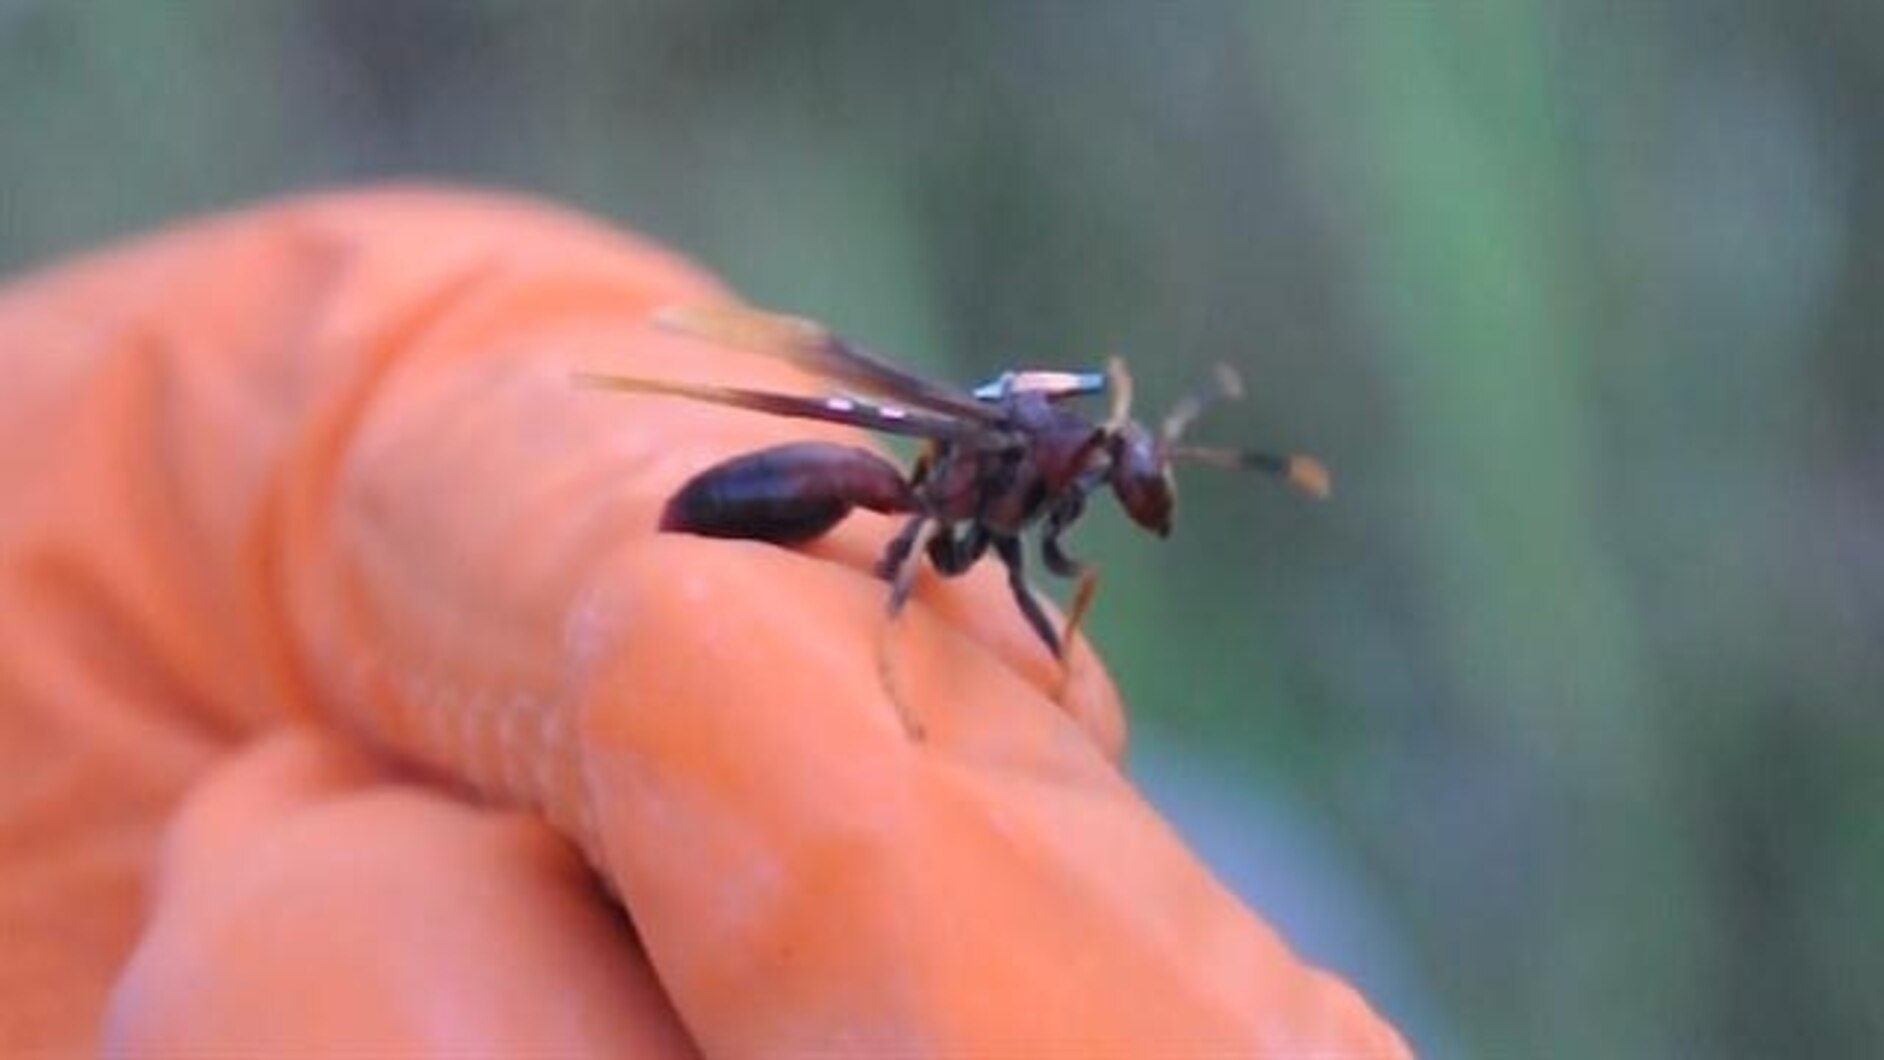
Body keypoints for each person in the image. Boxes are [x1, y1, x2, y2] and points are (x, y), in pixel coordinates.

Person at [0, 188, 1408, 1056]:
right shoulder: (988, 464)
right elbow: (932, 514)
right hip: (788, 493)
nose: (1139, 493)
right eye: (1145, 476)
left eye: (1151, 477)